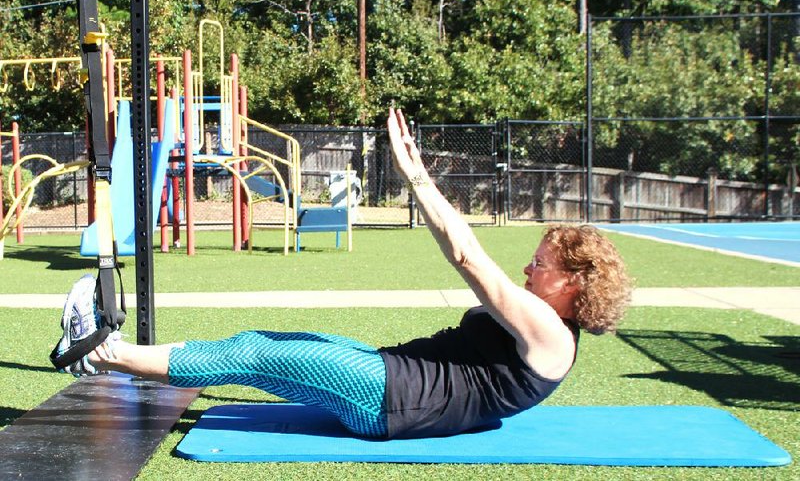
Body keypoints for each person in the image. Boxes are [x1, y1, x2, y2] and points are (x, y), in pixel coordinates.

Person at [52, 107, 632, 440]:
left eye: (543, 263)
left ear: (575, 283)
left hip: (390, 398)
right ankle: (109, 357)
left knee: (255, 356)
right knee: (260, 347)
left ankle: (101, 352)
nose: (530, 266)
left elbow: (468, 257)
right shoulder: (545, 331)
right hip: (389, 381)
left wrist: (416, 176)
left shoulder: (552, 336)